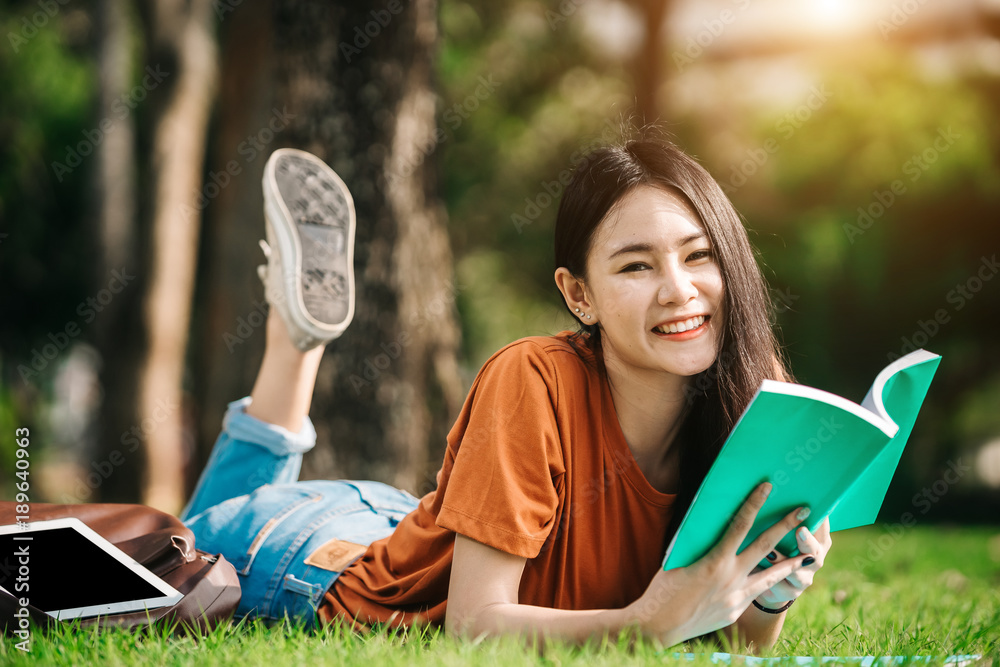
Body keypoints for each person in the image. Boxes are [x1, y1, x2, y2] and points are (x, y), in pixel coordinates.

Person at [181, 139, 832, 650]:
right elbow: (476, 624)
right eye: (637, 265)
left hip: (409, 522)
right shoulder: (532, 380)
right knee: (182, 555)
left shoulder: (752, 400)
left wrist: (774, 589)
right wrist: (645, 622)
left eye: (698, 256)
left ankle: (295, 346)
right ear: (579, 295)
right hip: (310, 557)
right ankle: (295, 349)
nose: (678, 289)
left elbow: (737, 639)